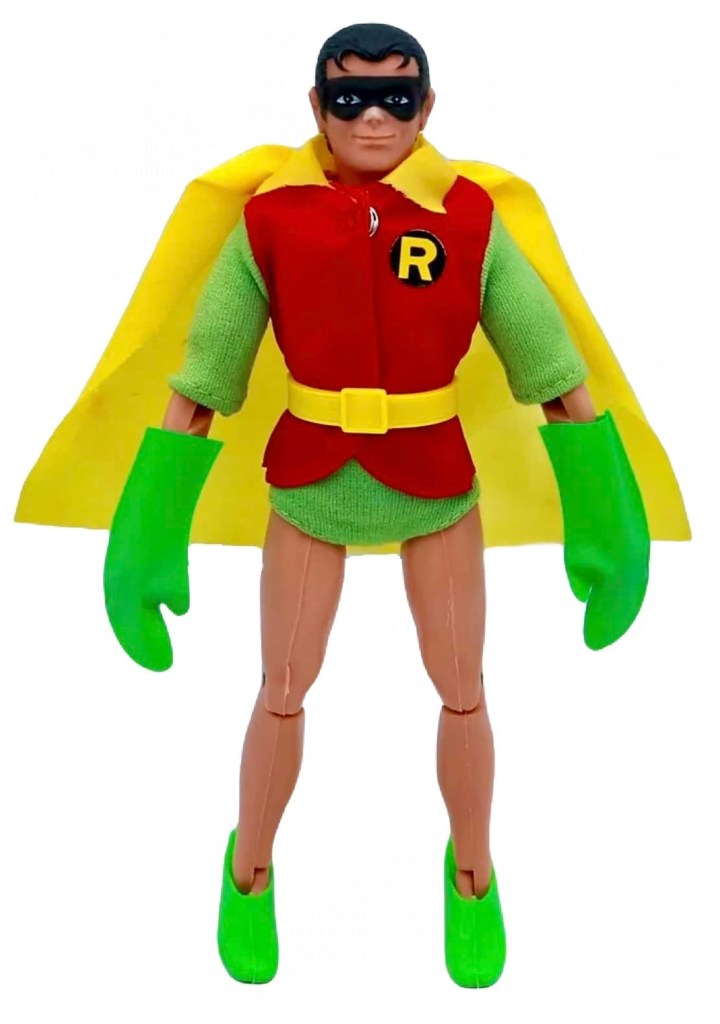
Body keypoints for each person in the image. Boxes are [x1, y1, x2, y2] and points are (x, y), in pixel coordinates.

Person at [16, 21, 689, 989]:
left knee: (462, 688)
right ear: (316, 106)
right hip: (311, 481)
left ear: (428, 106)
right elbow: (205, 377)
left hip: (435, 482)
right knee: (283, 687)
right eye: (349, 98)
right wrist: (149, 525)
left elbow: (551, 369)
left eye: (396, 97)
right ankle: (250, 865)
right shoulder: (271, 220)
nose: (373, 117)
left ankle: (472, 869)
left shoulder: (468, 219)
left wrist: (606, 511)